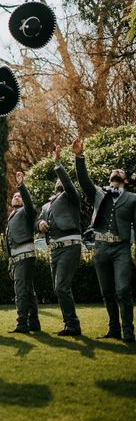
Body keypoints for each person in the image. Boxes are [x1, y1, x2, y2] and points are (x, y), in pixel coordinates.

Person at [73, 137, 136, 342]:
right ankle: (113, 329)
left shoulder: (133, 199)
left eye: (121, 171)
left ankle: (128, 330)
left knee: (123, 289)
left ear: (125, 179)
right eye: (114, 171)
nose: (117, 171)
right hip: (101, 247)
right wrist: (79, 157)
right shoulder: (99, 194)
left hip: (121, 248)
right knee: (107, 291)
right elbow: (83, 180)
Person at [38, 146, 82, 336]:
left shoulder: (71, 197)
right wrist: (39, 223)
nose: (59, 182)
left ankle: (73, 325)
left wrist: (58, 164)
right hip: (54, 249)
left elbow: (67, 183)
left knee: (61, 286)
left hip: (69, 245)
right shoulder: (46, 205)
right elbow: (36, 222)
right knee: (60, 289)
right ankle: (69, 324)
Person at [6, 171, 40, 334]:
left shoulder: (27, 211)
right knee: (28, 290)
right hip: (17, 258)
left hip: (26, 256)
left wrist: (21, 186)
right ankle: (33, 323)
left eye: (19, 196)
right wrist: (10, 262)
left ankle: (22, 324)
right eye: (15, 196)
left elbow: (28, 202)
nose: (17, 197)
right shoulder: (11, 216)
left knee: (20, 291)